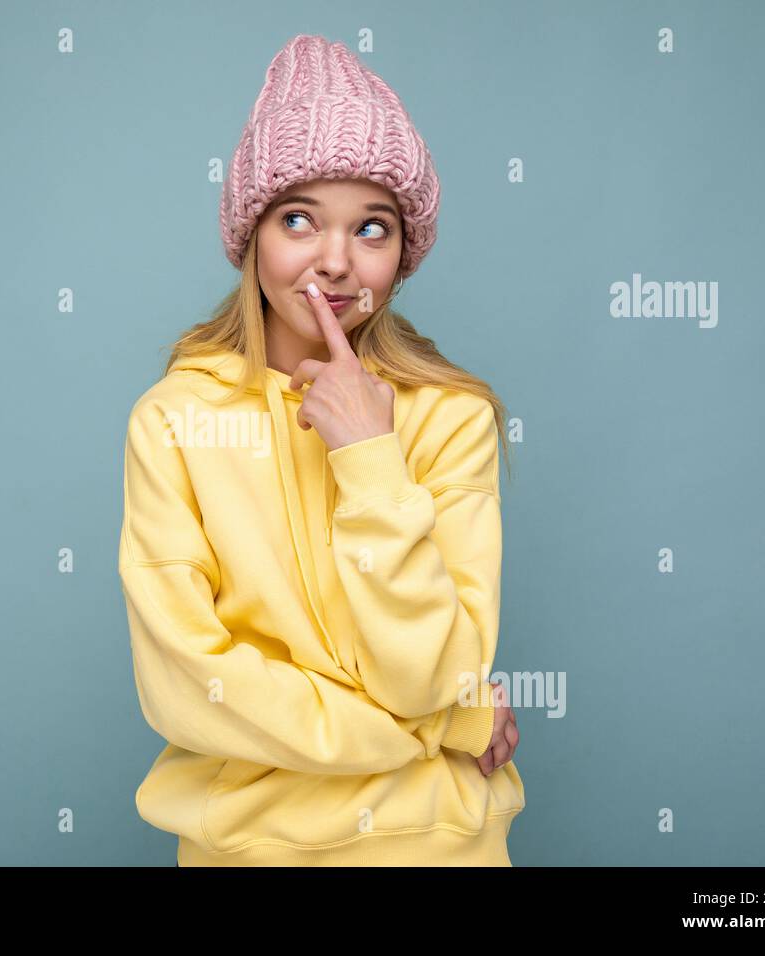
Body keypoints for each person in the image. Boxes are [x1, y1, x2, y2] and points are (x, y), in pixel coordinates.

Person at [119, 33, 525, 867]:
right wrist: (445, 722)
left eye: (371, 228)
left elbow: (433, 668)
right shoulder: (175, 421)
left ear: (402, 254)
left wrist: (372, 456)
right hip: (248, 851)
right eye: (299, 219)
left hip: (439, 848)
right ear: (252, 235)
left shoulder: (450, 416)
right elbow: (189, 685)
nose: (334, 263)